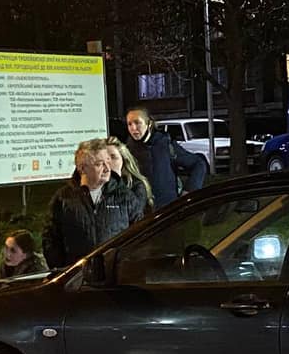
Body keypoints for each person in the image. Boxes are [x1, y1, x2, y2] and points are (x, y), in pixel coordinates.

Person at [41, 139, 144, 268]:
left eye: (108, 161)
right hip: (77, 279)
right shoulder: (63, 199)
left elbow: (139, 233)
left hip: (116, 276)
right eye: (99, 164)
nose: (107, 168)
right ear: (82, 168)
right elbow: (51, 239)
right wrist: (64, 271)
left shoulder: (124, 196)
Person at [124, 107, 206, 208]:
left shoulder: (165, 144)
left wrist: (189, 190)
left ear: (149, 123)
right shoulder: (126, 150)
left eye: (137, 123)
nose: (133, 128)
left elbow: (199, 164)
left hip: (168, 212)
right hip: (141, 215)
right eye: (129, 124)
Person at [106, 135, 153, 213]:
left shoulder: (137, 185)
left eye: (113, 157)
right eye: (105, 158)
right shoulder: (98, 185)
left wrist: (116, 180)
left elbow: (135, 213)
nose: (108, 162)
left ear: (123, 160)